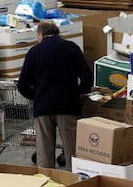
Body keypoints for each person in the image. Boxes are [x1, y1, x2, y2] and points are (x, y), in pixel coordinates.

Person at [17, 20, 93, 171]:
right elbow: (87, 76)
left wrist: (36, 96)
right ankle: (75, 181)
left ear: (40, 34)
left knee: (44, 151)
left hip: (43, 108)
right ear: (57, 33)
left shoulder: (34, 52)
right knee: (72, 149)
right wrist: (78, 94)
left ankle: (47, 182)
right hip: (68, 106)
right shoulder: (72, 48)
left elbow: (22, 85)